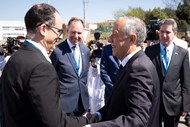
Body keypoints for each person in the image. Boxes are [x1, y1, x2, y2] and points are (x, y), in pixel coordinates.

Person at [0, 3, 89, 127]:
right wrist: (86, 121)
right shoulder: (41, 67)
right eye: (58, 31)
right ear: (43, 29)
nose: (59, 37)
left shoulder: (14, 58)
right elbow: (55, 123)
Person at [85, 16, 160, 127]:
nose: (109, 40)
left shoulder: (139, 69)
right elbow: (120, 103)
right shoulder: (131, 64)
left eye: (115, 35)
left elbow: (137, 120)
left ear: (132, 39)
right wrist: (100, 114)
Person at [145, 18, 190, 127]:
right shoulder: (150, 51)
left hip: (173, 103)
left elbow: (186, 81)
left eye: (168, 32)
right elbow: (146, 78)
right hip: (153, 103)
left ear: (174, 34)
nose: (164, 35)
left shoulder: (183, 53)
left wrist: (186, 106)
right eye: (162, 32)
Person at [50, 17, 90, 117]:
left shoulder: (86, 51)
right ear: (67, 31)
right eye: (73, 32)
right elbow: (51, 79)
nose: (76, 36)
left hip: (82, 104)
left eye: (79, 33)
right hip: (64, 106)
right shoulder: (57, 51)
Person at [87, 39, 105, 114]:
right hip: (90, 95)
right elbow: (92, 73)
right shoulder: (87, 59)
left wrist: (95, 63)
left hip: (98, 98)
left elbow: (96, 72)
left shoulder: (103, 60)